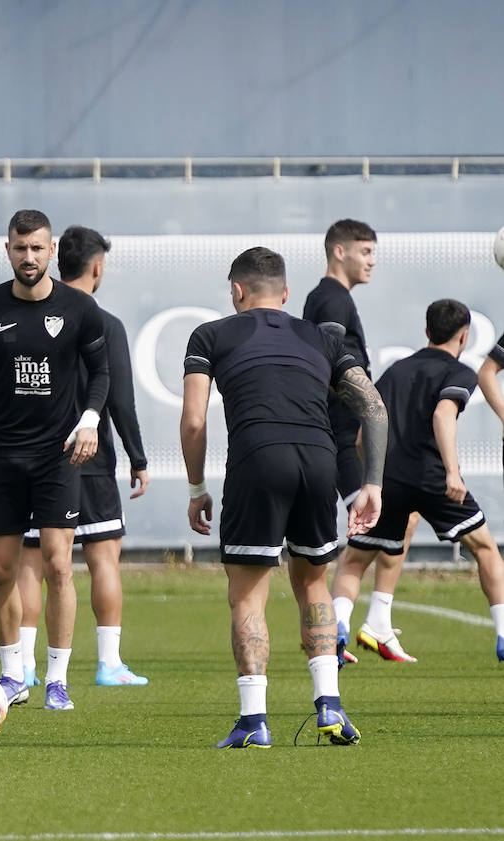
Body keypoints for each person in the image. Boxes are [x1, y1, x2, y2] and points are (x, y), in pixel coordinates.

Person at [181, 246, 386, 749]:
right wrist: (372, 483)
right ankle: (331, 708)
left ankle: (254, 721)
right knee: (313, 583)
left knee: (249, 591)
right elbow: (375, 408)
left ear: (236, 291)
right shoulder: (320, 336)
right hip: (318, 462)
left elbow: (193, 419)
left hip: (259, 459)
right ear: (286, 294)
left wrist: (196, 488)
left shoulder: (210, 334)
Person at [0, 209, 110, 713]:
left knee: (60, 564)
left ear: (52, 249)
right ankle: (14, 672)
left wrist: (89, 420)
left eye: (38, 248)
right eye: (20, 248)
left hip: (58, 454)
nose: (29, 257)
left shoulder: (80, 309)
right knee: (0, 571)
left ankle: (57, 679)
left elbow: (101, 374)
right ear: (8, 250)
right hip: (2, 454)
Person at [19, 226, 149, 688]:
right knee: (102, 559)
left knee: (32, 564)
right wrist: (138, 457)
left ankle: (25, 666)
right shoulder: (104, 322)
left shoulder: (32, 316)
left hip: (35, 455)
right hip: (89, 457)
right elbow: (120, 399)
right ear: (97, 267)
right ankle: (108, 664)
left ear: (56, 261)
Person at [347, 300, 504, 660]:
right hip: (433, 479)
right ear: (464, 336)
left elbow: (363, 435)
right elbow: (443, 415)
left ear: (426, 332)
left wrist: (372, 479)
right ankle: (503, 634)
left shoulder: (394, 371)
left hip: (389, 480)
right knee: (484, 549)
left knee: (359, 557)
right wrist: (451, 471)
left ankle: (359, 626)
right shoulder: (459, 371)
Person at [306, 219, 417, 664]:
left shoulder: (332, 297)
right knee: (383, 520)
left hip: (343, 431)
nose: (372, 260)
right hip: (343, 434)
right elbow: (325, 357)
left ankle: (364, 623)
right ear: (339, 251)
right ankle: (353, 624)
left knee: (391, 521)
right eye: (365, 251)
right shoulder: (331, 299)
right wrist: (355, 415)